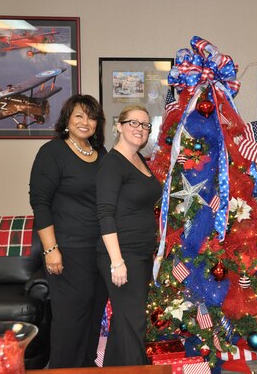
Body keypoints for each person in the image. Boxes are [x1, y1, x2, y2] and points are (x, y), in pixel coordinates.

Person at [29, 94, 107, 368]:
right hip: (67, 249)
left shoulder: (101, 154)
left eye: (92, 117)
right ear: (67, 120)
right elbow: (40, 202)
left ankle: (85, 367)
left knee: (92, 315)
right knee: (70, 320)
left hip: (99, 251)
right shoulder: (53, 152)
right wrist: (51, 250)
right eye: (79, 116)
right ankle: (63, 369)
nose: (86, 122)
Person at [96, 105, 162, 366]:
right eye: (133, 123)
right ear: (119, 125)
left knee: (124, 322)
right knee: (134, 323)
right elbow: (105, 214)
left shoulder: (138, 158)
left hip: (141, 253)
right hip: (122, 255)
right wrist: (117, 261)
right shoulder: (112, 163)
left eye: (145, 125)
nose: (140, 129)